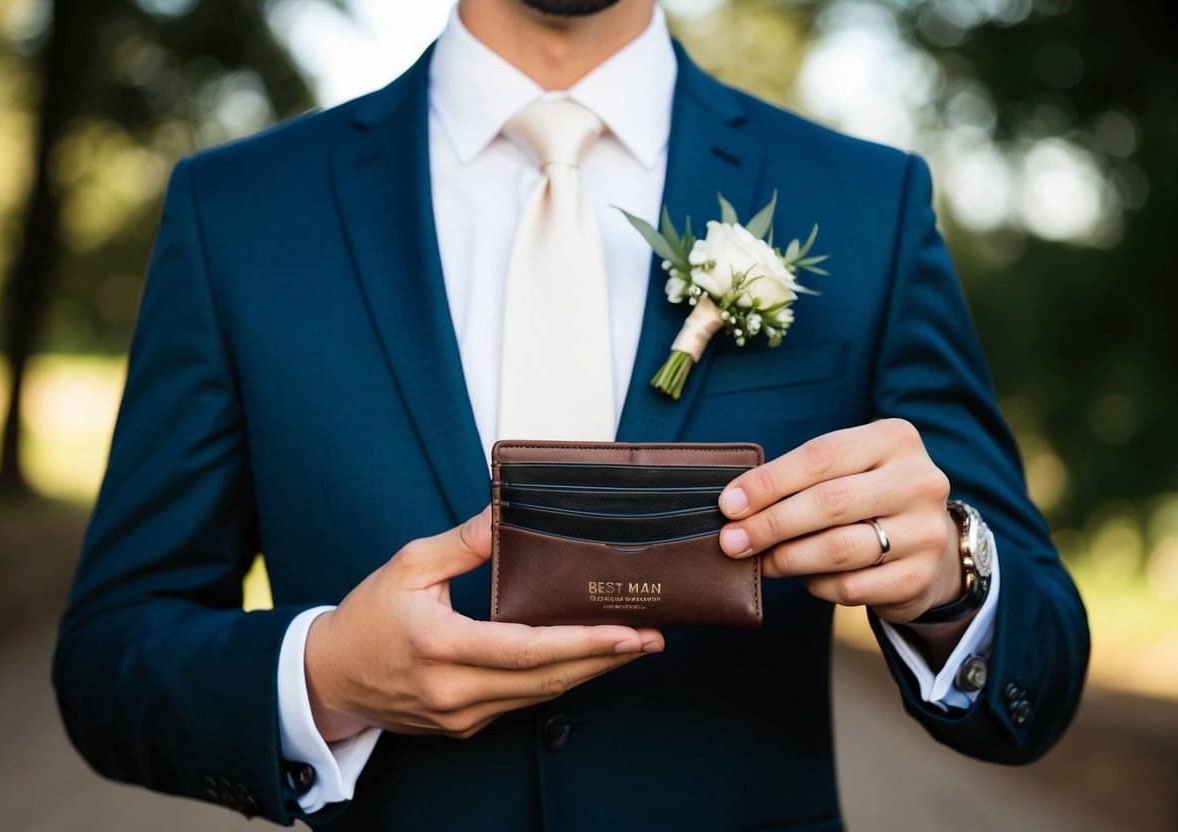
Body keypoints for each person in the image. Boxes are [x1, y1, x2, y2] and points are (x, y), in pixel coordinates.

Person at [53, 1, 1090, 829]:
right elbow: (109, 657)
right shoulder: (239, 211)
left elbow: (1036, 673)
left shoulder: (868, 204)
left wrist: (952, 578)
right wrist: (324, 679)